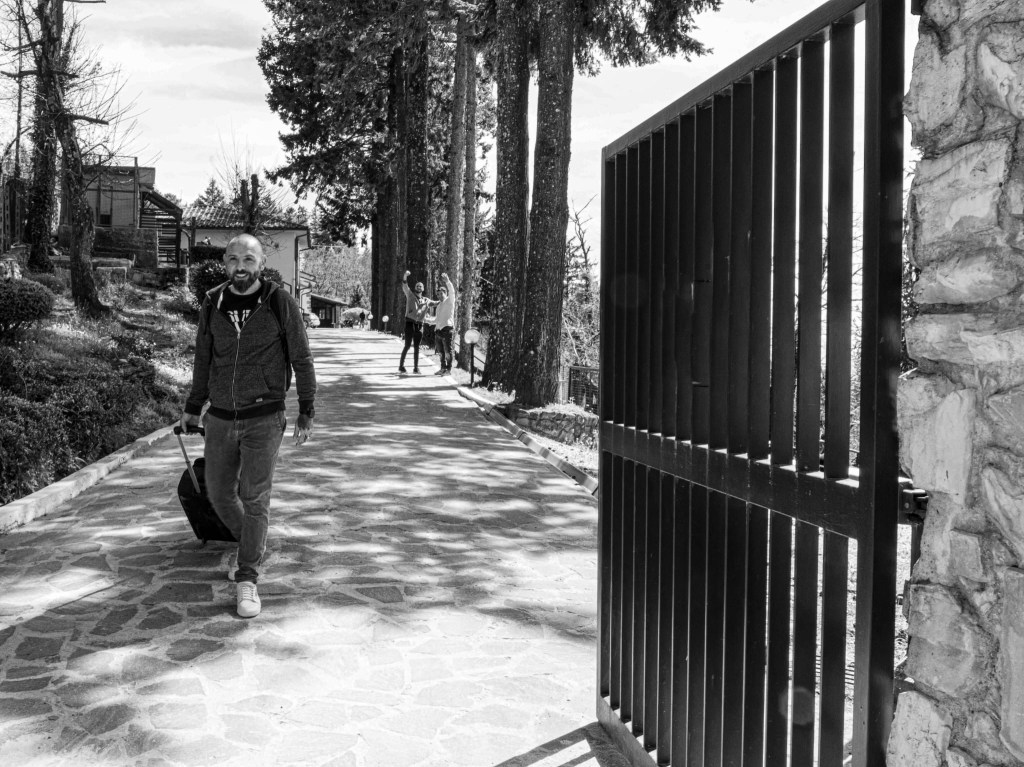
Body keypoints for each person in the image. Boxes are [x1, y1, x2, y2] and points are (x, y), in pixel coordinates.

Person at [179, 233, 316, 619]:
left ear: (262, 263)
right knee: (219, 493)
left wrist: (307, 409)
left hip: (264, 417)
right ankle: (251, 548)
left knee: (255, 497)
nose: (241, 267)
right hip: (221, 417)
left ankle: (247, 577)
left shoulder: (279, 302)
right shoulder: (213, 302)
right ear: (226, 262)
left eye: (249, 259)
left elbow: (302, 358)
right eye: (234, 259)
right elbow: (203, 358)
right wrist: (193, 407)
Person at [398, 270, 433, 374]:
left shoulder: (426, 301)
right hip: (409, 323)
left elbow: (437, 303)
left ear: (423, 289)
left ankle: (416, 368)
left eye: (420, 286)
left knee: (417, 347)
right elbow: (405, 285)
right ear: (415, 288)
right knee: (407, 345)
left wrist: (445, 300)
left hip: (420, 326)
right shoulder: (410, 295)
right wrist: (405, 275)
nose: (419, 287)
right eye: (417, 286)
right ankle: (401, 366)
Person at [424, 273, 456, 375]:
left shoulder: (450, 301)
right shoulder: (439, 306)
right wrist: (427, 320)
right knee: (441, 352)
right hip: (438, 331)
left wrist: (447, 281)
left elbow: (452, 291)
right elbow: (437, 320)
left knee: (448, 351)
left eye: (441, 294)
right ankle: (442, 368)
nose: (439, 296)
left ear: (445, 293)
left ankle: (448, 370)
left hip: (447, 330)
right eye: (438, 295)